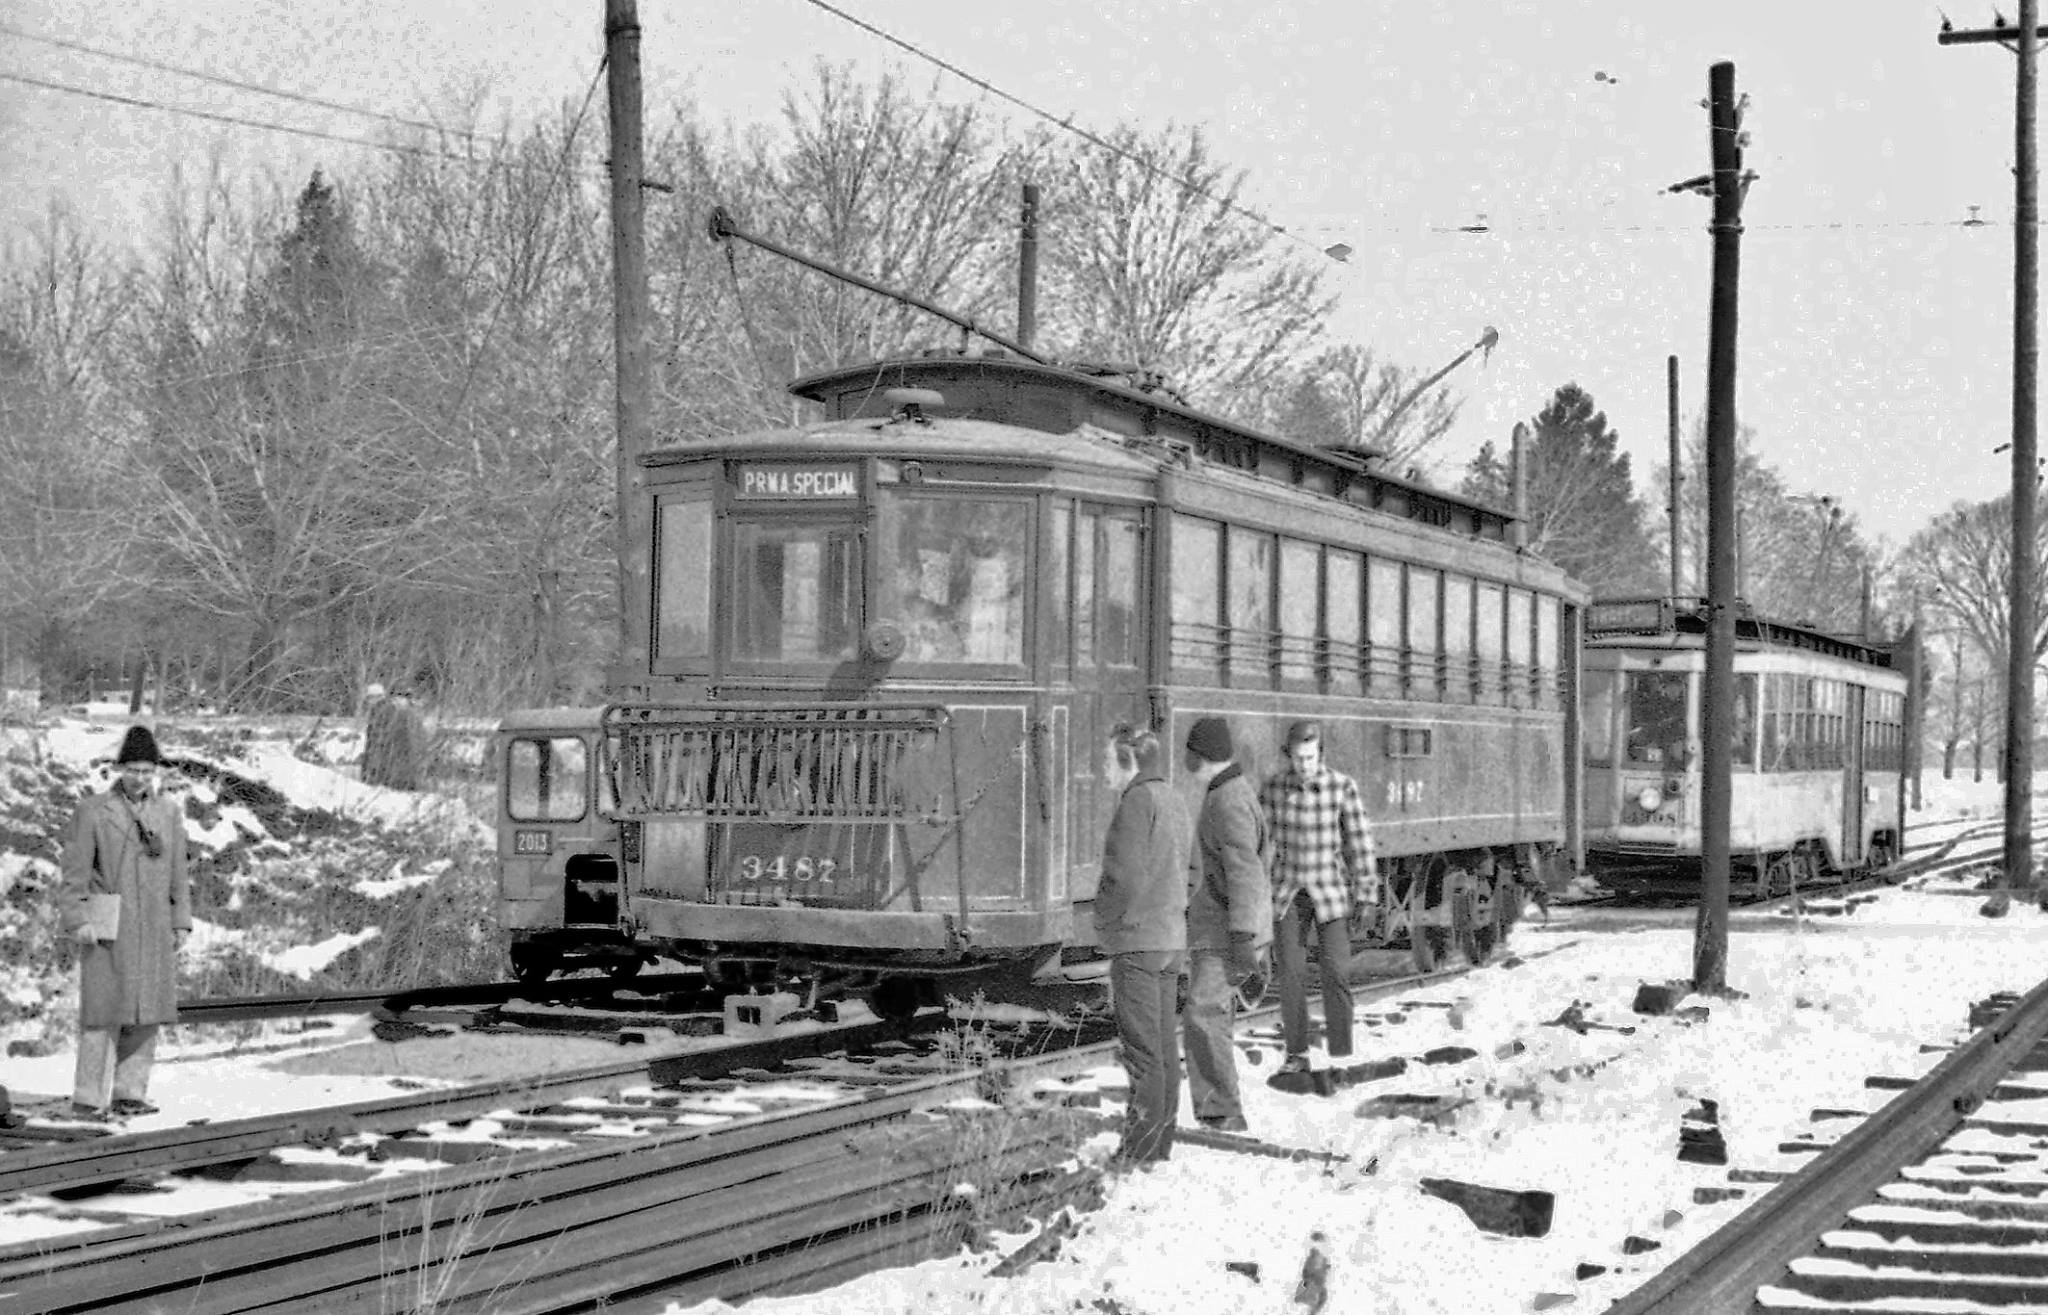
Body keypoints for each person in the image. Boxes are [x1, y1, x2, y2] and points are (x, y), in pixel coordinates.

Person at [58, 725, 192, 1120]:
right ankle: (88, 1098)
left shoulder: (167, 812)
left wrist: (180, 920)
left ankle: (129, 1092)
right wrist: (77, 917)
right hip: (106, 918)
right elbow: (74, 871)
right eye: (132, 769)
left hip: (154, 920)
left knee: (148, 1009)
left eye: (147, 770)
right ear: (119, 769)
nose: (140, 778)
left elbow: (178, 872)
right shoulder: (93, 810)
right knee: (103, 1011)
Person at [1095, 723, 1193, 1166]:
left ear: (1128, 761)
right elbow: (1194, 871)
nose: (1104, 773)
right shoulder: (1173, 798)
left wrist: (1106, 923)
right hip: (1170, 939)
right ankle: (1159, 1148)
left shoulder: (1135, 801)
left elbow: (1122, 875)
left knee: (1142, 1054)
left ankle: (1138, 1154)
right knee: (1164, 1048)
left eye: (1107, 762)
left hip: (1137, 943)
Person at [1260, 719, 1379, 1075]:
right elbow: (1260, 843)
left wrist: (1366, 894)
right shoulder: (1274, 789)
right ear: (1289, 757)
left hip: (1330, 891)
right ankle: (1296, 1053)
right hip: (1288, 892)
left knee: (1336, 970)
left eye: (1310, 758)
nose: (1304, 766)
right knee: (1291, 974)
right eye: (1298, 759)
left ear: (1321, 755)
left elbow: (1359, 842)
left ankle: (1342, 1049)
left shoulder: (1341, 787)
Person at [1181, 716, 1270, 1133]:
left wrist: (1242, 939)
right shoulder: (1227, 792)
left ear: (1197, 755)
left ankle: (1222, 1114)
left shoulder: (1228, 800)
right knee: (1210, 1015)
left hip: (1225, 934)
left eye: (1188, 751)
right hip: (1220, 930)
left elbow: (1244, 873)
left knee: (1204, 1014)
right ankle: (1220, 1110)